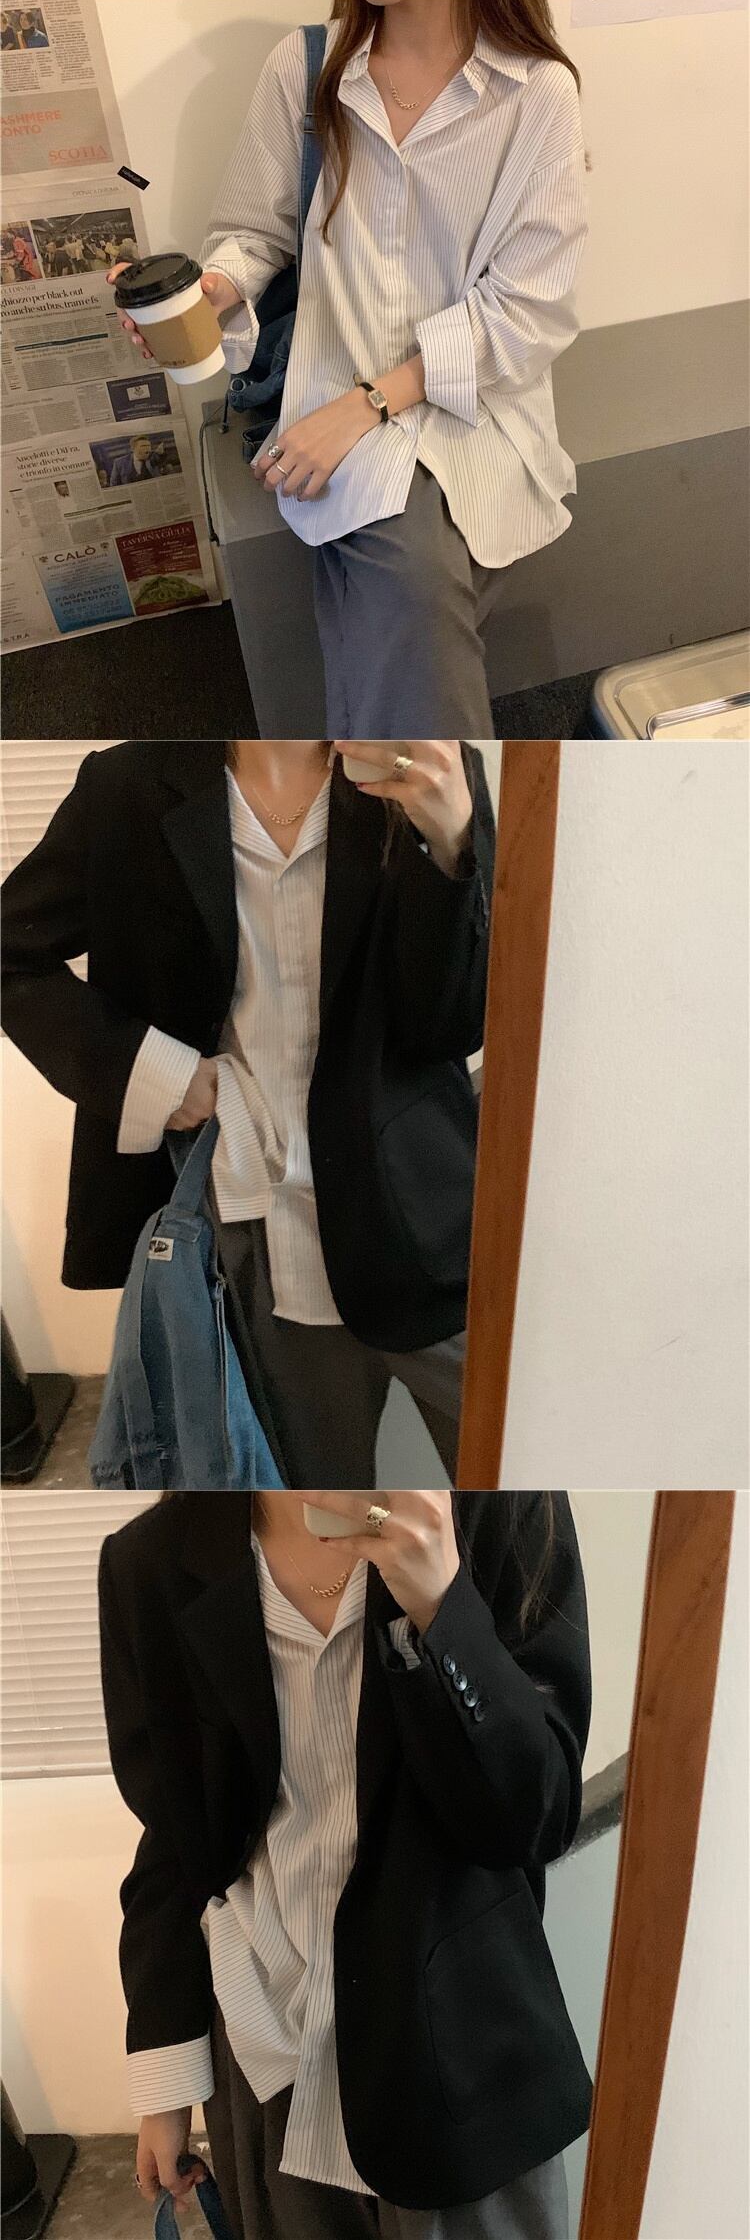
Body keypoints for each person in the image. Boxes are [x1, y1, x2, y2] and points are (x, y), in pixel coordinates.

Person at [99, 1488, 593, 2240]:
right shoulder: (153, 1560)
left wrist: (443, 1610)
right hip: (269, 2052)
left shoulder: (498, 1508)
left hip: (459, 2055)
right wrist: (164, 2075)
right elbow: (173, 1838)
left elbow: (537, 1814)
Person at [1, 741, 495, 1490]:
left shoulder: (428, 766)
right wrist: (155, 1074)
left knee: (521, 1480)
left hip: (430, 1225)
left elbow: (451, 1026)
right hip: (253, 1240)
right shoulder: (129, 786)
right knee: (316, 1500)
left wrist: (452, 840)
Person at [109, 0, 588, 743]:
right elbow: (255, 233)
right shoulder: (306, 67)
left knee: (408, 588)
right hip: (332, 377)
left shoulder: (536, 92)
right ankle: (439, 806)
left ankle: (400, 794)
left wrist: (369, 404)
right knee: (413, 583)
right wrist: (217, 290)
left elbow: (531, 307)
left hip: (475, 396)